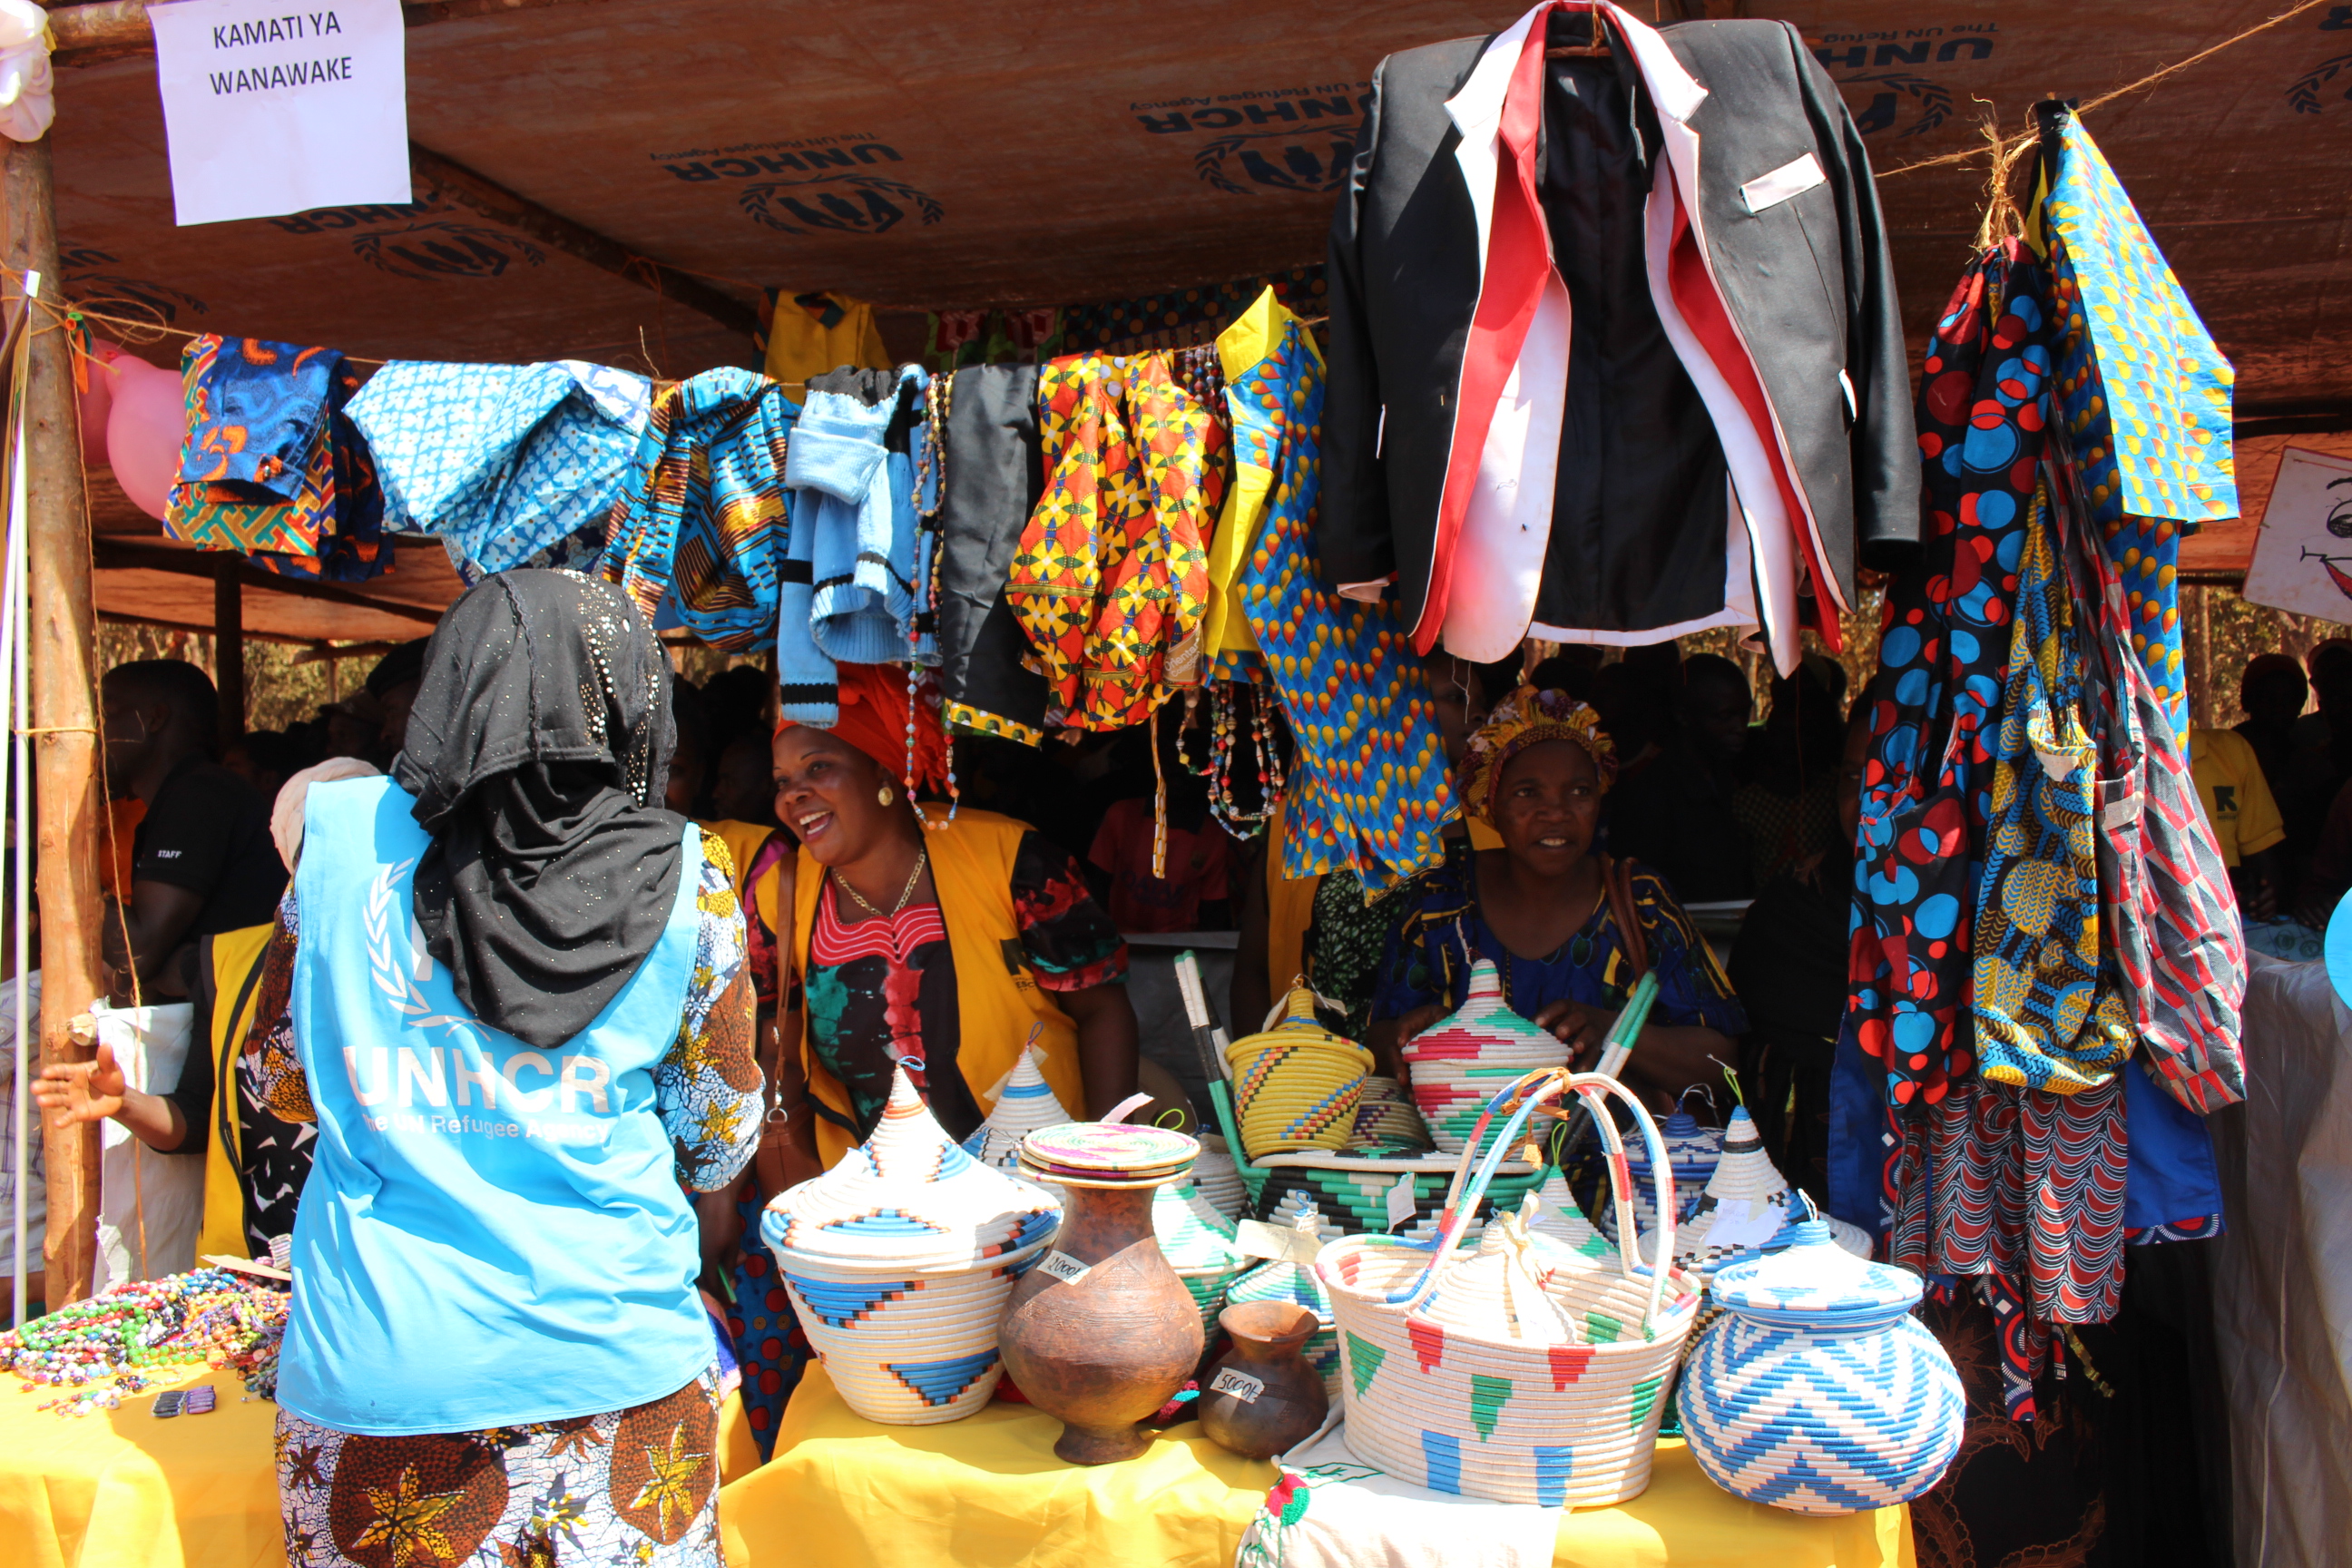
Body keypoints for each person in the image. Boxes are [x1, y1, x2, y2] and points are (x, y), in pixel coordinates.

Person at [244, 571, 760, 1568]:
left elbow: (280, 1085)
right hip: (616, 1371)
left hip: (382, 1366)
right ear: (625, 701)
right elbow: (718, 1140)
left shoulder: (338, 844)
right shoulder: (686, 874)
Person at [724, 664, 1155, 1454]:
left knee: (1040, 1404)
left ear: (886, 773)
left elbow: (1101, 1007)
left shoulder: (1008, 859)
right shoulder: (781, 894)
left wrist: (1104, 1177)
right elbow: (774, 1051)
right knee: (911, 1405)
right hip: (881, 1233)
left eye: (819, 767)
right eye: (784, 781)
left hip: (1034, 1206)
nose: (793, 796)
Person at [1367, 689, 1745, 1109]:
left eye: (1579, 791)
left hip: (1614, 1151)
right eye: (1527, 792)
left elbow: (1721, 1063)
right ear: (1490, 800)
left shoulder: (1640, 901)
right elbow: (1377, 1041)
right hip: (1464, 1150)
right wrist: (1407, 1038)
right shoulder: (1440, 901)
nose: (1557, 812)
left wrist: (1615, 1032)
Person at [1730, 699, 1870, 1208]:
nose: (1867, 801)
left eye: (1892, 777)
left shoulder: (1983, 930)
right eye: (1853, 778)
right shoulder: (1790, 910)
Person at [94, 659, 285, 1002]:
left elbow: (137, 955)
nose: (95, 731)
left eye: (106, 713)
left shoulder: (199, 796)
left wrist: (63, 868)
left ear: (154, 719)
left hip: (233, 1024)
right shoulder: (179, 797)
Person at [1604, 652, 1758, 902]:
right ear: (1683, 715)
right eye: (1725, 717)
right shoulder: (1651, 794)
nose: (1740, 728)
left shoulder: (1727, 775)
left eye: (1744, 714)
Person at [1086, 718, 1235, 933]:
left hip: (1176, 944)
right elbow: (1097, 884)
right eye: (1171, 763)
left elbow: (1213, 908)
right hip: (1119, 936)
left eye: (1189, 767)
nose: (1178, 772)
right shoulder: (1122, 815)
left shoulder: (1212, 837)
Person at [2190, 725, 2287, 920]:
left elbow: (2263, 857)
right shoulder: (2124, 761)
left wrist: (2263, 898)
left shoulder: (2229, 750)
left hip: (2223, 921)